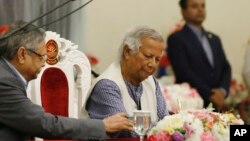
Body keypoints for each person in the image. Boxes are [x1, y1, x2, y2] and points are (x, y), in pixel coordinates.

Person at [0, 21, 133, 141]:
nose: (45, 62)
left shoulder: (7, 74)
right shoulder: (4, 82)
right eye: (41, 56)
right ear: (22, 54)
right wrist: (102, 125)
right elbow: (43, 123)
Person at [83, 25, 169, 138]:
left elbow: (166, 121)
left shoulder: (152, 82)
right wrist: (161, 127)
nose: (152, 64)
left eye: (157, 59)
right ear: (127, 51)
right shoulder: (107, 85)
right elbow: (127, 131)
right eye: (148, 56)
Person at [167, 0, 231, 111]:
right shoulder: (176, 39)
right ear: (183, 11)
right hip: (191, 105)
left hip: (217, 103)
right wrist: (210, 94)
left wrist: (222, 91)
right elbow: (183, 72)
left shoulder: (214, 39)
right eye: (194, 6)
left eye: (203, 6)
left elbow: (226, 67)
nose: (200, 9)